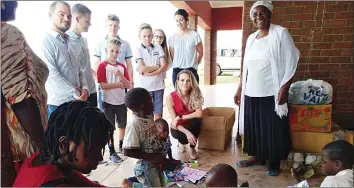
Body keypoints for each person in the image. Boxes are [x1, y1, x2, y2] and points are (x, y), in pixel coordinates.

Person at [234, 1, 299, 176]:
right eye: (255, 15)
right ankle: (258, 157)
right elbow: (245, 65)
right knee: (254, 126)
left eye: (262, 13)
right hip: (251, 91)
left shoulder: (280, 33)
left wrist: (285, 87)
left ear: (270, 14)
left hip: (271, 91)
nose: (258, 17)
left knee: (273, 127)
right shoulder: (251, 38)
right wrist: (240, 87)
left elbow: (292, 59)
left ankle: (274, 161)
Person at [1, 1, 49, 186]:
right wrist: (46, 149)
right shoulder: (6, 34)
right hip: (20, 150)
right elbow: (19, 101)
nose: (17, 3)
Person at [12, 101, 112, 187]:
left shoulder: (42, 159)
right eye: (92, 150)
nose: (100, 157)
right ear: (64, 143)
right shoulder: (52, 181)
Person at [40, 1, 89, 118]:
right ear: (50, 15)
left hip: (77, 102)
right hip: (58, 105)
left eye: (69, 16)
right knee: (60, 137)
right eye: (61, 14)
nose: (66, 18)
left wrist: (85, 88)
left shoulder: (69, 40)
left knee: (77, 136)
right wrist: (76, 93)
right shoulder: (46, 41)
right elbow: (52, 74)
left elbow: (79, 69)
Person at [97, 38, 132, 163]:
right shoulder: (102, 66)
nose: (114, 54)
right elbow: (103, 86)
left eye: (117, 51)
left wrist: (119, 75)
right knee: (110, 127)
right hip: (108, 102)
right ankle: (111, 151)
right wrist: (119, 84)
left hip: (121, 101)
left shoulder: (122, 67)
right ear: (107, 50)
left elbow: (128, 85)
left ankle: (122, 146)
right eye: (112, 51)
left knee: (122, 124)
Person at [123, 88, 167, 187]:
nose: (153, 102)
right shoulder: (134, 124)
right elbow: (127, 151)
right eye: (150, 100)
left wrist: (160, 157)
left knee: (161, 185)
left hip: (155, 162)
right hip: (146, 166)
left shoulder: (149, 118)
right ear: (142, 105)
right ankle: (130, 185)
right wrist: (154, 157)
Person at [121, 118, 180, 187]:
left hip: (157, 165)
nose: (166, 133)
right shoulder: (153, 142)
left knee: (168, 170)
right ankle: (131, 184)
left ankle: (137, 179)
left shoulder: (167, 139)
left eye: (167, 130)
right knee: (150, 184)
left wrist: (170, 158)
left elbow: (169, 148)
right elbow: (151, 158)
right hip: (147, 167)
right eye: (163, 131)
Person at [93, 14, 133, 111]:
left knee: (121, 113)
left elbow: (129, 64)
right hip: (106, 84)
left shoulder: (125, 44)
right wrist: (98, 81)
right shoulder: (99, 43)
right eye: (110, 25)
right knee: (105, 114)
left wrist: (130, 81)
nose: (113, 28)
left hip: (121, 82)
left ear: (119, 27)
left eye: (115, 25)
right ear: (106, 26)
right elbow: (96, 64)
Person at [166, 70, 203, 160]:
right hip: (179, 127)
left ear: (192, 82)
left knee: (197, 122)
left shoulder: (195, 93)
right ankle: (181, 142)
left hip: (191, 124)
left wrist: (180, 117)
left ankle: (192, 148)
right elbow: (175, 122)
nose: (185, 83)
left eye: (188, 80)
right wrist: (187, 133)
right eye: (182, 80)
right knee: (182, 137)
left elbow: (199, 114)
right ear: (177, 82)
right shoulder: (170, 98)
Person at [134, 23, 168, 120]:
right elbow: (142, 68)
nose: (147, 38)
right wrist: (157, 66)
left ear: (152, 35)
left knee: (158, 115)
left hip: (158, 87)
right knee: (148, 115)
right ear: (139, 36)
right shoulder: (138, 50)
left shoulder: (158, 48)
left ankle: (158, 134)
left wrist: (152, 72)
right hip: (146, 88)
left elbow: (164, 65)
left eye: (149, 36)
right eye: (144, 36)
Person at [66, 3, 97, 107]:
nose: (90, 24)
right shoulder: (66, 42)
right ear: (77, 19)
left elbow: (84, 65)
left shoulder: (84, 40)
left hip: (92, 90)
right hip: (80, 94)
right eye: (87, 21)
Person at [168, 9, 203, 86]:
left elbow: (201, 53)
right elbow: (173, 56)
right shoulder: (172, 37)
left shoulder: (195, 35)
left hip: (191, 70)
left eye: (181, 20)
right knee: (178, 96)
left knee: (193, 96)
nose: (179, 23)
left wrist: (194, 64)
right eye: (177, 21)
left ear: (186, 20)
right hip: (177, 70)